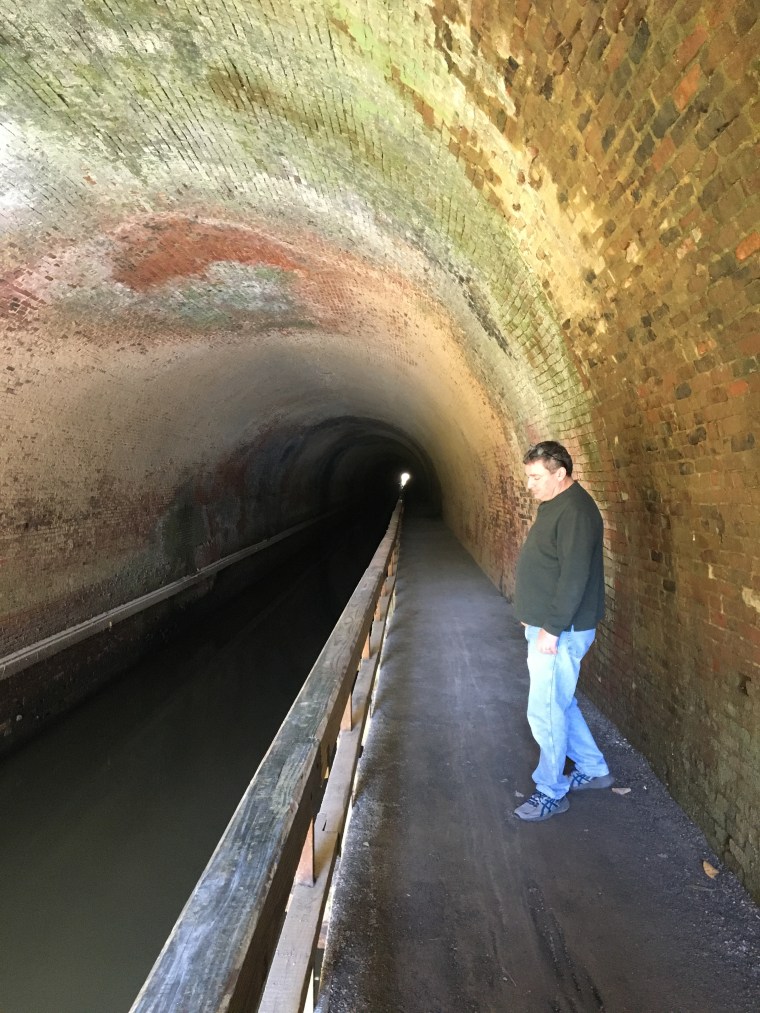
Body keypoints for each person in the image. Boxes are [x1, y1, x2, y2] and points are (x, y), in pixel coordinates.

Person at [512, 440, 613, 822]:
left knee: (544, 710)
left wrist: (552, 629)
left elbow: (574, 576)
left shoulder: (576, 512)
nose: (530, 485)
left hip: (561, 631)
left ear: (560, 474)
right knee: (561, 703)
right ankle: (594, 768)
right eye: (528, 477)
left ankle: (551, 791)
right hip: (551, 627)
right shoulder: (555, 502)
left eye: (536, 477)